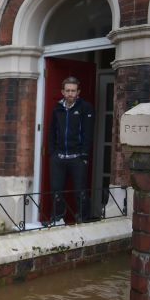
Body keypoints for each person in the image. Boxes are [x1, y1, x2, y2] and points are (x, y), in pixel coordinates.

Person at [47, 76, 94, 223]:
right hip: (59, 157)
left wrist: (84, 155)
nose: (70, 94)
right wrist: (52, 153)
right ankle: (57, 218)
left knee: (80, 191)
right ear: (62, 92)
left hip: (77, 157)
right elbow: (51, 131)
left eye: (73, 91)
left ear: (78, 92)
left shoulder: (85, 107)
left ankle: (83, 218)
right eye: (67, 90)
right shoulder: (57, 108)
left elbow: (88, 133)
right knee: (56, 190)